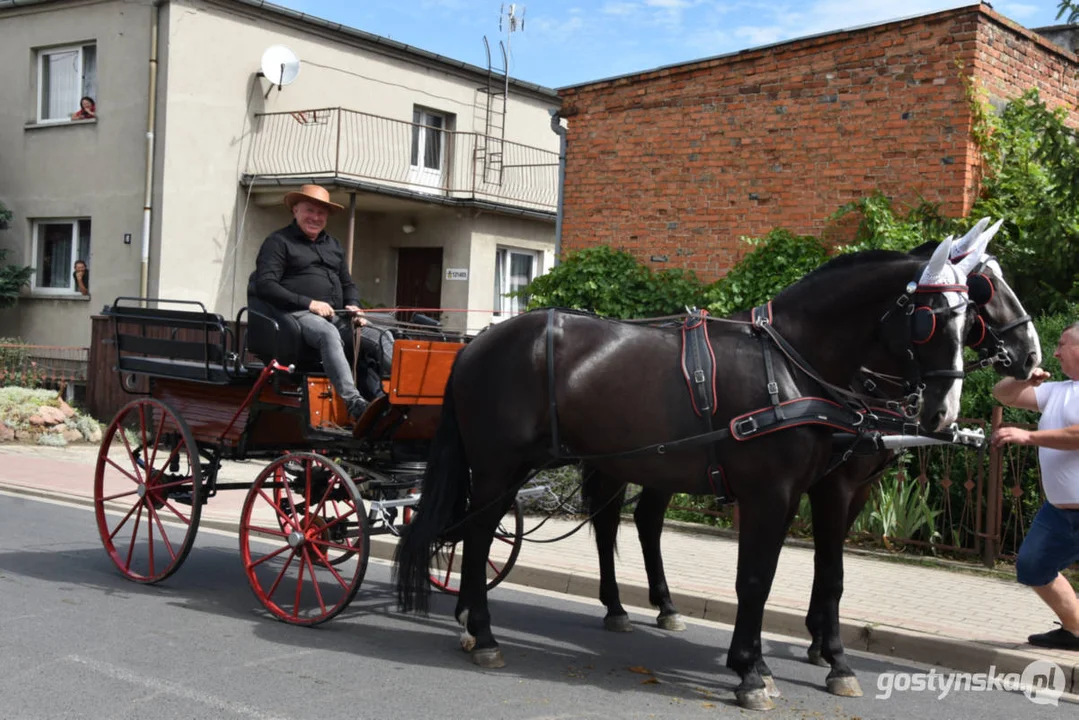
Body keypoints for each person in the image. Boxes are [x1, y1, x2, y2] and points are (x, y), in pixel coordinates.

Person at [252, 184, 393, 421]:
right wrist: (309, 303)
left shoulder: (333, 245)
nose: (315, 218)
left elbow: (348, 283)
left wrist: (354, 305)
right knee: (327, 333)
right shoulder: (278, 242)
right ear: (295, 210)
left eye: (321, 213)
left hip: (337, 316)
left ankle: (396, 399)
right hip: (294, 316)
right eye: (309, 210)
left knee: (382, 334)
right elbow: (265, 285)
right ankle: (354, 402)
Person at [991, 323, 1079, 651]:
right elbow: (1003, 394)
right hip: (1058, 512)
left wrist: (1028, 436)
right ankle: (1076, 630)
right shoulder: (1058, 390)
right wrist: (1022, 379)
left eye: (1062, 343)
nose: (1055, 352)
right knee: (1032, 566)